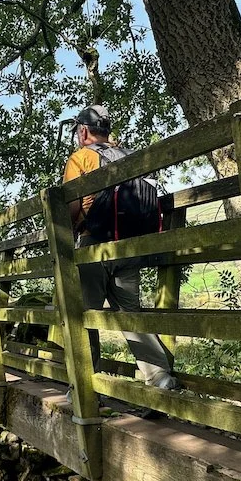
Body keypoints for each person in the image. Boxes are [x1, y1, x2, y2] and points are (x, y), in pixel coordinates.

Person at [63, 104, 178, 392]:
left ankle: (85, 387)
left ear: (83, 131)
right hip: (129, 246)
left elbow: (72, 206)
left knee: (82, 315)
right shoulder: (129, 156)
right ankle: (160, 377)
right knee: (129, 313)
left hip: (94, 247)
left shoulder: (81, 157)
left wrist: (70, 231)